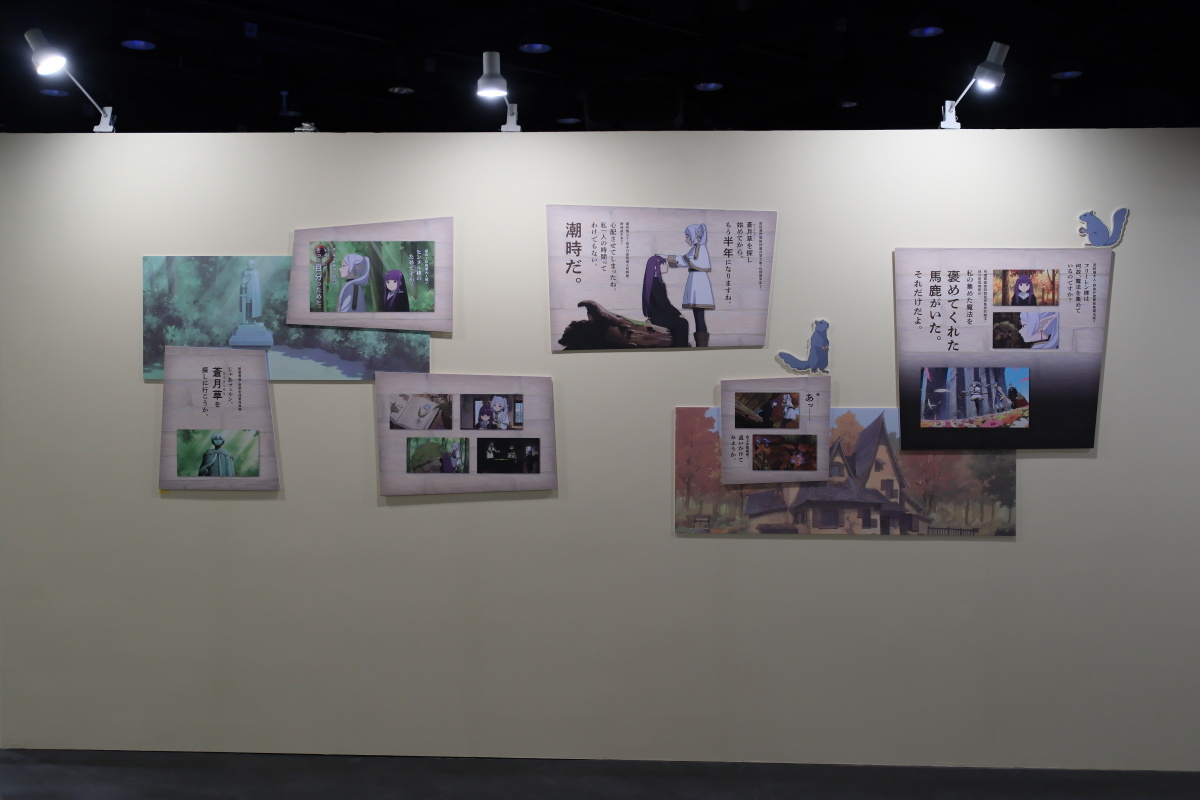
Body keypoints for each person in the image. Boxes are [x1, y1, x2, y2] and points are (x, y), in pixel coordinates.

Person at [660, 223, 715, 347]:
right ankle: (701, 345)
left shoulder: (700, 249)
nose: (687, 239)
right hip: (697, 281)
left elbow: (685, 260)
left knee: (699, 315)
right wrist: (668, 258)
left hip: (698, 283)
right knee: (698, 315)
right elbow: (685, 260)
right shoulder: (697, 248)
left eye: (688, 236)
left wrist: (667, 257)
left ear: (696, 236)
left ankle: (702, 346)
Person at [640, 255, 690, 347]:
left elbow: (663, 303)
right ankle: (680, 348)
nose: (666, 266)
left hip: (659, 314)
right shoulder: (654, 282)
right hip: (658, 316)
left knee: (681, 322)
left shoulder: (654, 281)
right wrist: (678, 313)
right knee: (682, 323)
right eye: (663, 264)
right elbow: (663, 304)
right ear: (656, 267)